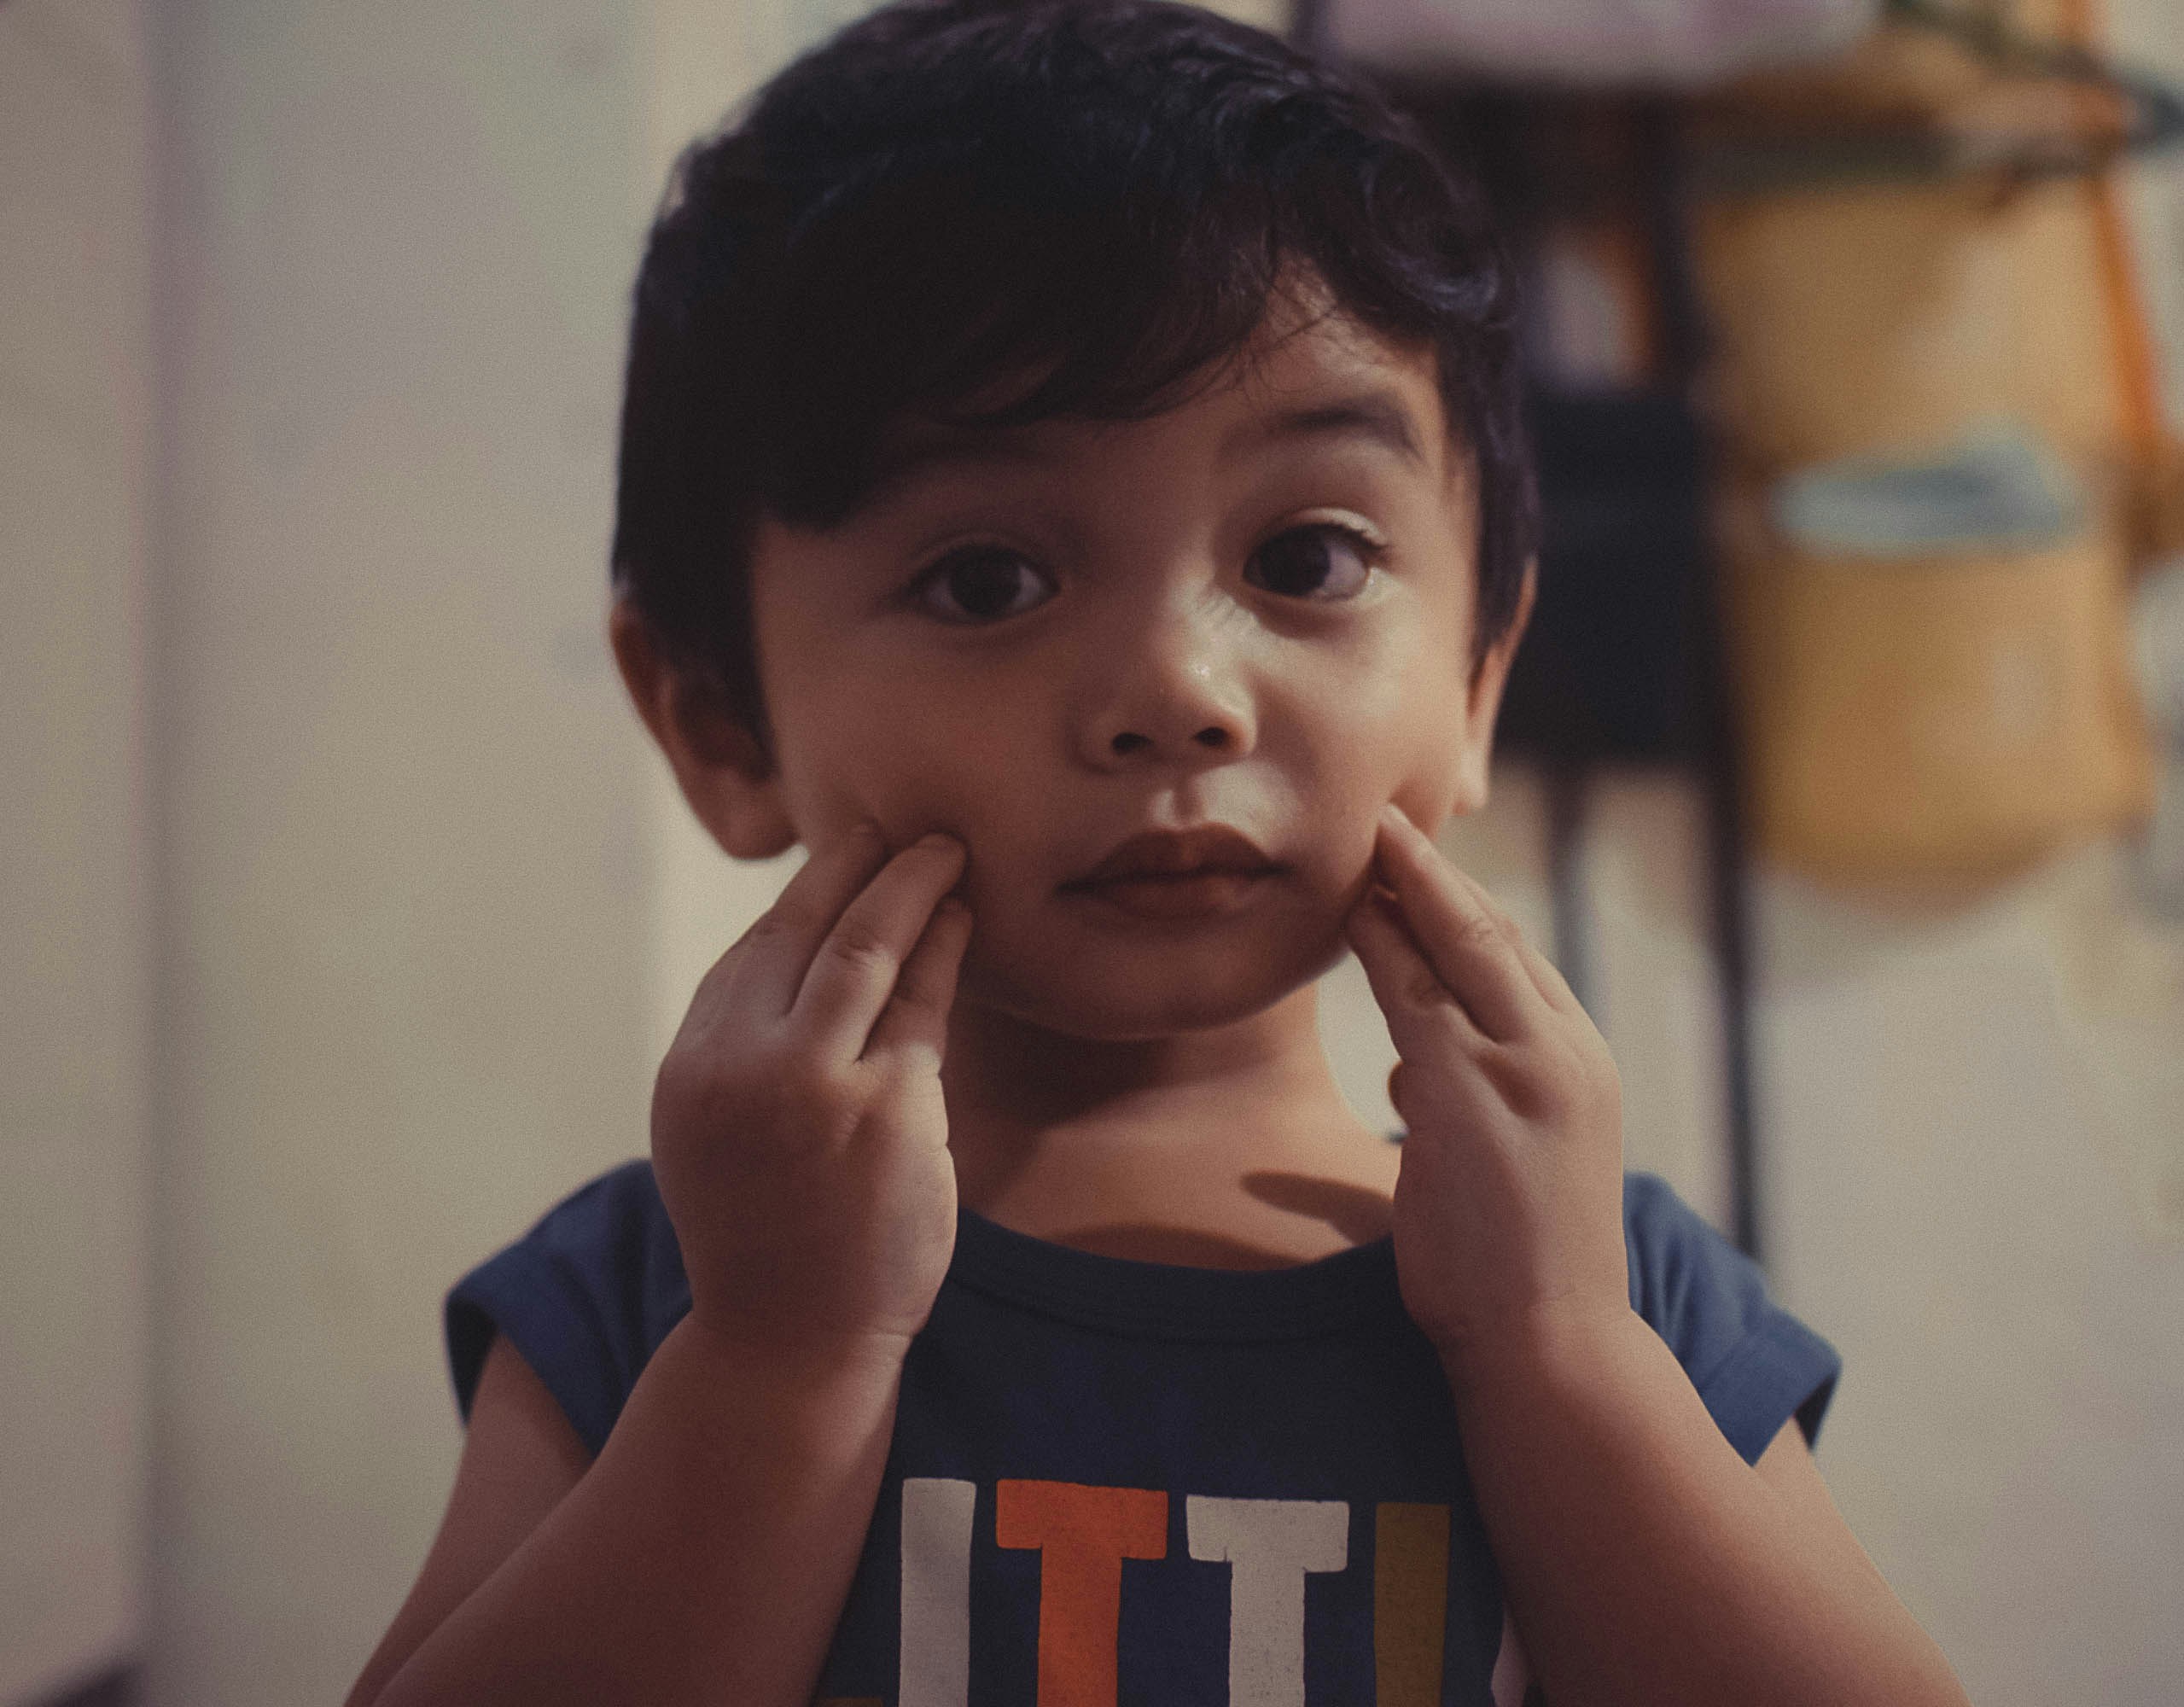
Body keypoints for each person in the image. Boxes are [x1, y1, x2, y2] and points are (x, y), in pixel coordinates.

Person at [347, 2, 1973, 1702]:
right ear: (719, 725)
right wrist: (775, 1366)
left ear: (1478, 677)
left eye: (1308, 558)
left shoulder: (1604, 1282)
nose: (1179, 693)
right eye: (988, 581)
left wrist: (1553, 1356)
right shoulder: (670, 1286)